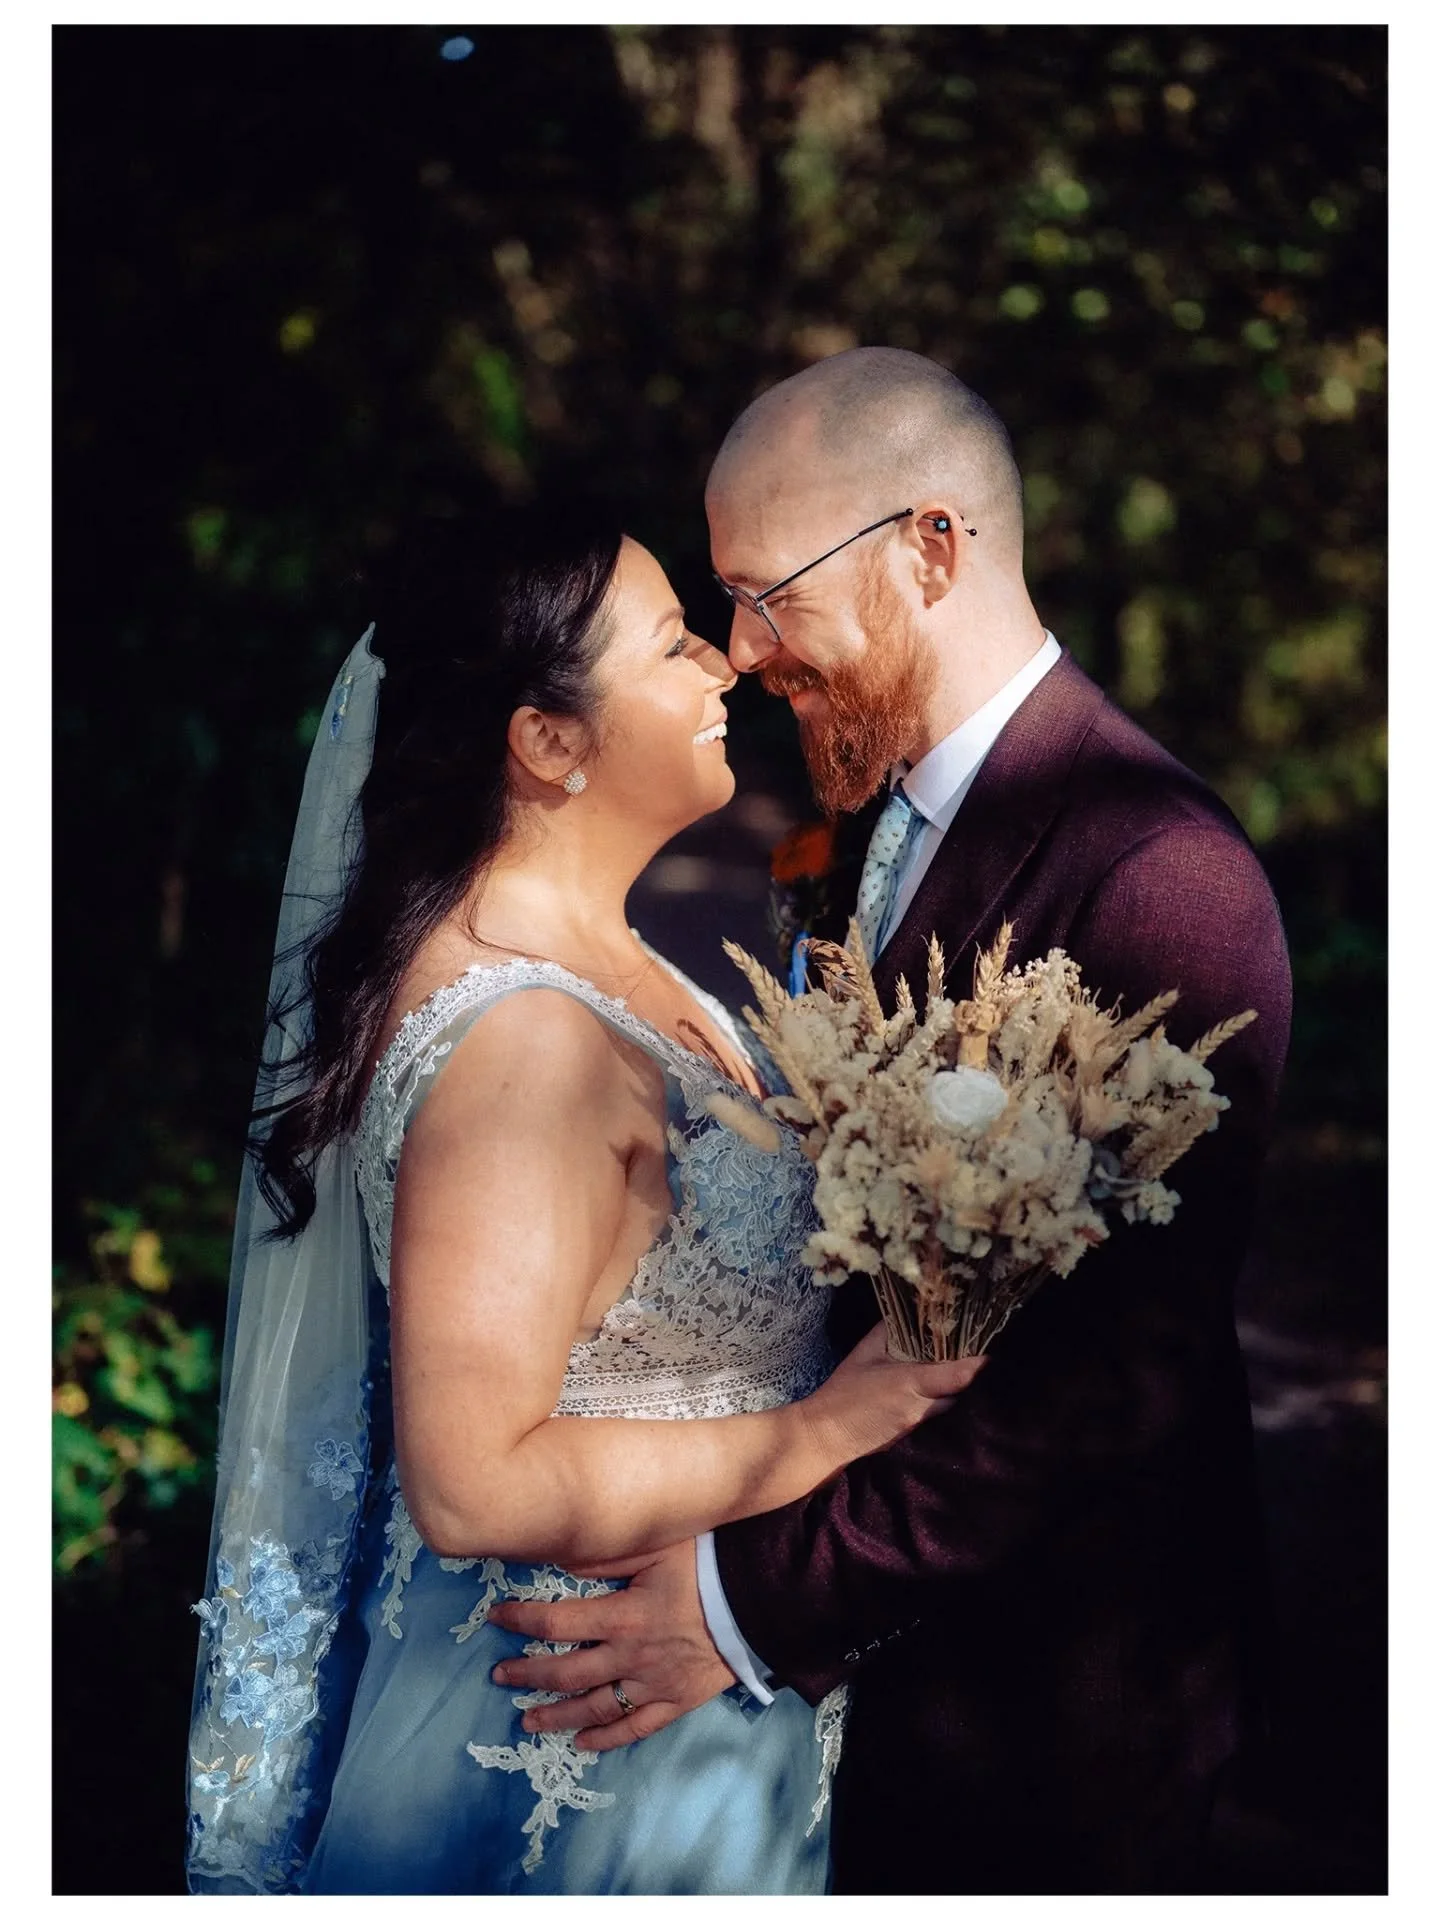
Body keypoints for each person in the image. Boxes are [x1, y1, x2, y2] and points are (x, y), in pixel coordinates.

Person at [485, 349, 1294, 1894]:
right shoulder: (869, 821)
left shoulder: (1161, 876)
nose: (744, 649)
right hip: (858, 1711)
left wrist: (741, 1605)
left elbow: (1106, 1376)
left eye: (767, 591)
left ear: (933, 547)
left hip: (1046, 1705)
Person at [184, 502, 985, 1895]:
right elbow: (472, 1476)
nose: (724, 670)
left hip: (692, 1732)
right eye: (674, 643)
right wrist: (822, 1432)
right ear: (548, 741)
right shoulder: (522, 1045)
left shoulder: (627, 962)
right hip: (558, 1758)